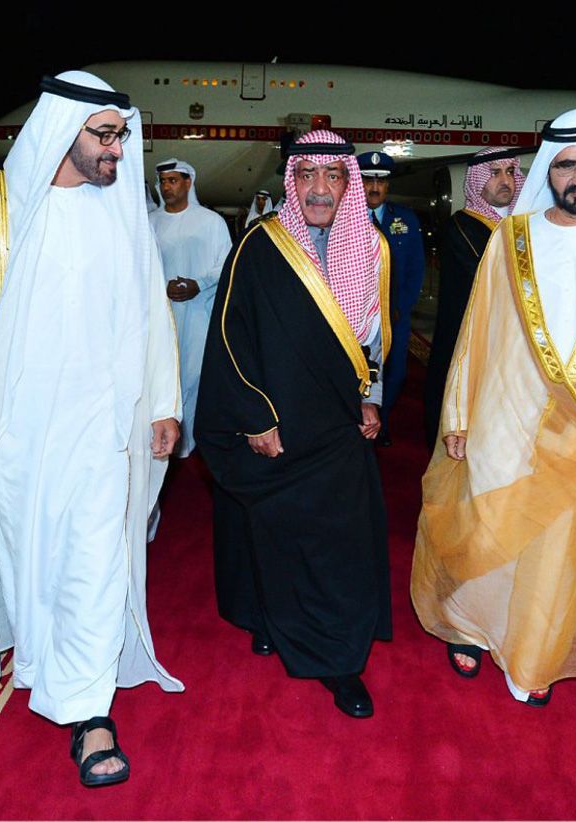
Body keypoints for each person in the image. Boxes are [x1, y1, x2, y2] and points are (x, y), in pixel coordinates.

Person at [0, 71, 184, 788]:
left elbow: (151, 312)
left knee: (94, 561)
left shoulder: (122, 212)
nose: (118, 150)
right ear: (60, 130)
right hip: (13, 436)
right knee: (28, 564)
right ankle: (38, 657)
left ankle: (89, 712)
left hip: (102, 432)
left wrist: (163, 402)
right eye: (105, 135)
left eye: (122, 136)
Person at [411, 108, 576, 704]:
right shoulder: (511, 238)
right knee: (490, 519)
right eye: (565, 166)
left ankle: (531, 653)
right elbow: (475, 332)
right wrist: (459, 414)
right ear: (547, 171)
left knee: (560, 541)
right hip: (504, 410)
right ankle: (471, 624)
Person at [196, 130, 391, 719]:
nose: (320, 188)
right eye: (307, 175)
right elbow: (229, 334)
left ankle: (338, 658)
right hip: (276, 423)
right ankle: (268, 618)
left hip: (336, 425)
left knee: (339, 540)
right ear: (292, 181)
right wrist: (254, 415)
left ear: (349, 184)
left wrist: (370, 398)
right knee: (271, 532)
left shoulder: (372, 247)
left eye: (333, 176)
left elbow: (373, 341)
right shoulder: (259, 245)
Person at [423, 147, 524, 450]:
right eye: (495, 173)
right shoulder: (461, 226)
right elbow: (492, 275)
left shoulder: (525, 225)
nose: (505, 180)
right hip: (467, 337)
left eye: (510, 172)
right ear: (477, 180)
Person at [149, 158, 232, 457]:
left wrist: (199, 283)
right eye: (163, 181)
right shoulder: (151, 223)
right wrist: (162, 287)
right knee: (164, 376)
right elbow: (142, 268)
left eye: (173, 180)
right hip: (162, 316)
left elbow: (225, 264)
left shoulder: (211, 222)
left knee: (195, 377)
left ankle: (191, 444)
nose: (167, 187)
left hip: (199, 315)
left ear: (188, 183)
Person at [358, 151, 426, 446]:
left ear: (388, 185)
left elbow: (416, 269)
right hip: (357, 317)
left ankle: (381, 422)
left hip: (394, 316)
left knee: (395, 373)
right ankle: (357, 421)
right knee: (358, 370)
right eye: (368, 181)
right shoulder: (345, 219)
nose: (374, 188)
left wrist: (400, 308)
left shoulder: (405, 219)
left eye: (381, 182)